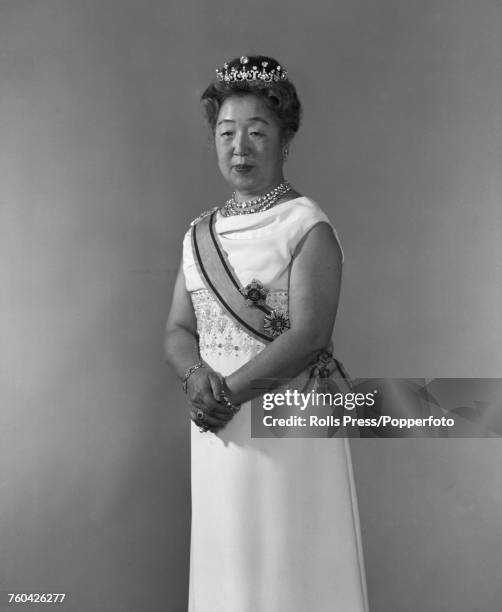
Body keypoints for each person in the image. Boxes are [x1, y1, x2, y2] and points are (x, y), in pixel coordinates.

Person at [164, 55, 369, 612]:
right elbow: (178, 329)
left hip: (289, 424)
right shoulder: (197, 234)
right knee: (228, 566)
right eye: (227, 133)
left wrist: (225, 393)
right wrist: (195, 377)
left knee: (290, 565)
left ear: (284, 140)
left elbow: (307, 336)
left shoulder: (307, 226)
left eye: (257, 132)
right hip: (217, 430)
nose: (240, 148)